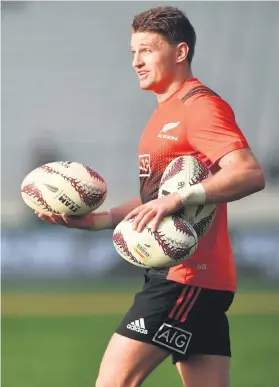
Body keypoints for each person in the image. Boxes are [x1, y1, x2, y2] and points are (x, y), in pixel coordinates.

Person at [36, 6, 265, 387]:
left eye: (146, 50)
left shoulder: (200, 106)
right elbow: (158, 198)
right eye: (132, 52)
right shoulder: (164, 112)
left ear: (180, 52)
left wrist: (176, 200)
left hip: (185, 277)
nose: (136, 62)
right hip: (194, 280)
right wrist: (101, 219)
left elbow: (248, 172)